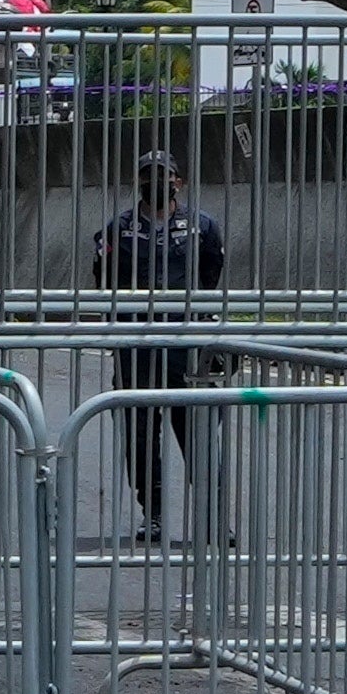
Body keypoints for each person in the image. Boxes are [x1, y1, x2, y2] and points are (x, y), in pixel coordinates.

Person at [89, 147, 229, 540]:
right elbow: (107, 278)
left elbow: (211, 273)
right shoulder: (119, 228)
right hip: (138, 348)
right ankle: (152, 514)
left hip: (187, 349)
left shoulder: (201, 226)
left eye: (165, 175)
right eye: (149, 175)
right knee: (141, 434)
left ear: (178, 182)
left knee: (199, 433)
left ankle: (213, 516)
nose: (158, 182)